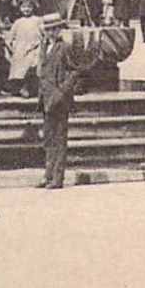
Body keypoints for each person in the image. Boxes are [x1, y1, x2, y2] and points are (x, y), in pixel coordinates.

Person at [38, 28, 86, 189]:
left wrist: (63, 90)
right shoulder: (44, 46)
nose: (50, 32)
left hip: (59, 99)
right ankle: (48, 175)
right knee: (48, 138)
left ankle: (58, 178)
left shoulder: (64, 47)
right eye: (47, 29)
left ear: (59, 30)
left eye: (54, 29)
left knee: (59, 138)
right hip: (46, 98)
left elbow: (74, 70)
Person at [5, 0, 45, 99]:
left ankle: (28, 87)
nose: (26, 9)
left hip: (34, 47)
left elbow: (43, 33)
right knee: (19, 68)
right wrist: (10, 45)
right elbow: (11, 35)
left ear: (33, 8)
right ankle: (19, 87)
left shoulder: (38, 20)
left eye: (29, 7)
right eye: (23, 7)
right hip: (21, 48)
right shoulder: (18, 22)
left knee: (31, 66)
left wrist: (41, 43)